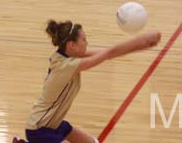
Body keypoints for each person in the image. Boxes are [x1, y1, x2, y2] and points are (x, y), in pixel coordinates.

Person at [13, 20, 161, 143]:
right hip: (40, 130)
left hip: (54, 124)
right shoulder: (66, 65)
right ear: (71, 45)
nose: (87, 42)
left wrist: (142, 45)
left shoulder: (67, 56)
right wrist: (141, 39)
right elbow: (108, 54)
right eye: (83, 39)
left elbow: (108, 53)